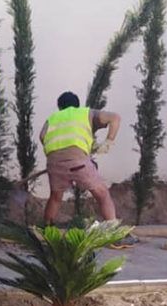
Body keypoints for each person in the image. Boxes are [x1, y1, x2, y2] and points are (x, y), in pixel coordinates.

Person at [40, 91, 121, 224]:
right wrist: (108, 142)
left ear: (59, 107)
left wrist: (59, 154)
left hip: (53, 162)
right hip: (78, 161)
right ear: (77, 105)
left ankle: (46, 229)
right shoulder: (85, 113)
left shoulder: (52, 119)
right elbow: (115, 118)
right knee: (102, 194)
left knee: (55, 197)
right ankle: (112, 228)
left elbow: (42, 136)